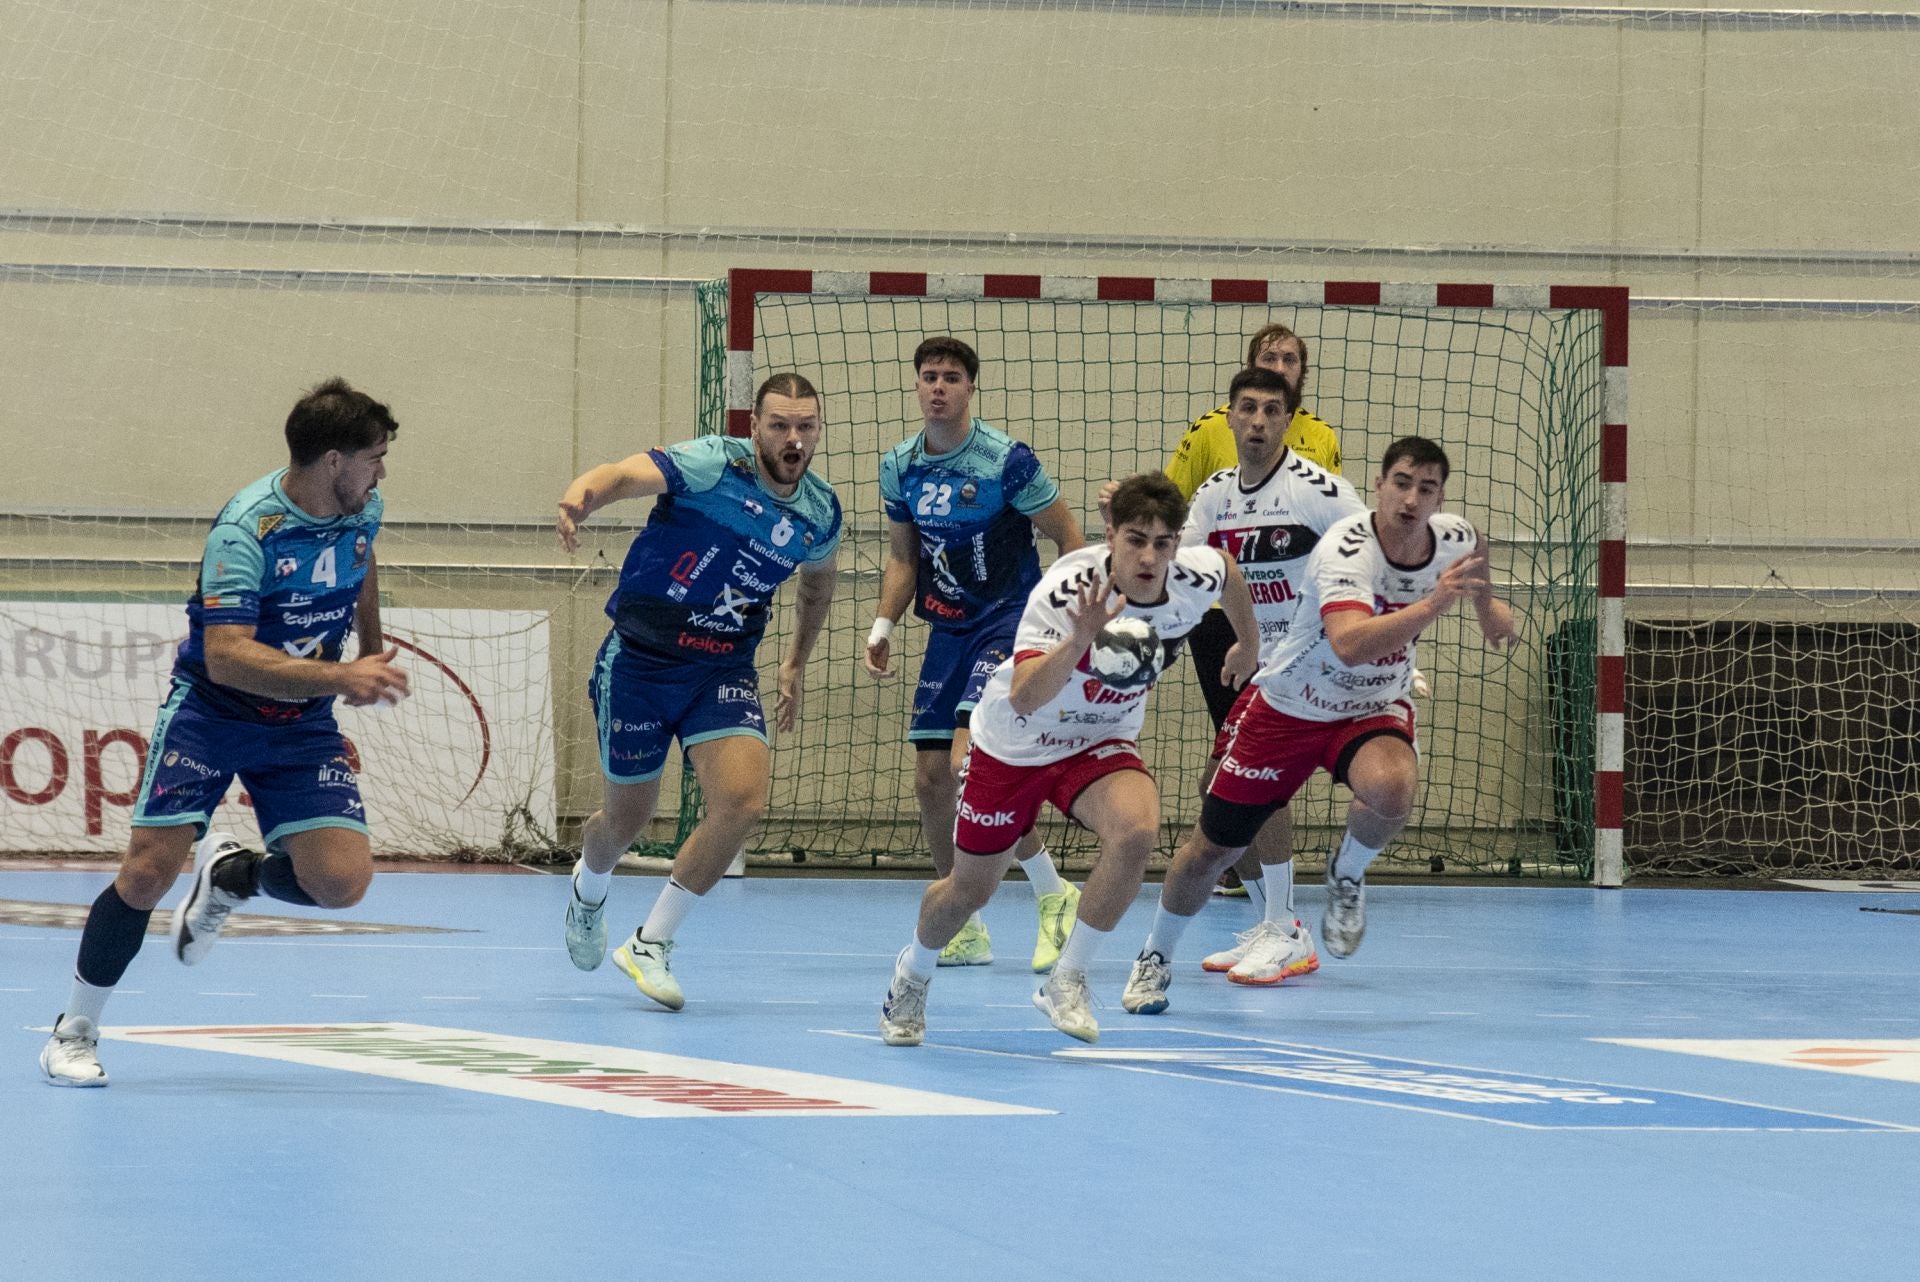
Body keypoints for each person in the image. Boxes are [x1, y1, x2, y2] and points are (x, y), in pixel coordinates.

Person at [40, 378, 407, 1086]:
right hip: (213, 713)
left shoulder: (364, 508)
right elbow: (228, 656)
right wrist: (340, 679)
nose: (381, 472)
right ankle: (75, 1031)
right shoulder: (245, 531)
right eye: (375, 457)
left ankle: (234, 875)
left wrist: (370, 649)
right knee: (147, 874)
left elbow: (363, 562)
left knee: (340, 884)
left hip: (300, 724)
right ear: (333, 461)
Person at [1121, 436, 1518, 1018]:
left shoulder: (1451, 536)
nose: (1412, 498)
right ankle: (1155, 955)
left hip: (1371, 704)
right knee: (1214, 848)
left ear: (1439, 497)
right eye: (1402, 482)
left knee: (1392, 786)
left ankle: (1347, 874)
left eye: (1426, 488)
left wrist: (1488, 609)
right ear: (1379, 486)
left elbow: (1473, 552)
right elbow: (1351, 643)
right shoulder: (1345, 547)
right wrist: (1436, 605)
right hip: (1291, 702)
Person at [879, 473, 1259, 1047]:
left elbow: (1230, 575)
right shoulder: (1067, 590)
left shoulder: (1192, 574)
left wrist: (1247, 643)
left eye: (1163, 542)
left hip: (1098, 738)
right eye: (1135, 540)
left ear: (1179, 541)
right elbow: (1025, 694)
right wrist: (1081, 639)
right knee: (968, 891)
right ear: (1109, 534)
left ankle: (1068, 977)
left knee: (1137, 830)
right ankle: (913, 974)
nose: (1150, 556)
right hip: (1016, 744)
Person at [554, 373, 841, 1012]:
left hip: (722, 672)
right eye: (779, 426)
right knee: (623, 822)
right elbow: (626, 474)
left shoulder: (820, 511)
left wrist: (794, 660)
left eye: (806, 427)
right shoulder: (715, 464)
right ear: (755, 427)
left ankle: (652, 942)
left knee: (742, 803)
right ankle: (590, 884)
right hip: (640, 662)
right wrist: (583, 497)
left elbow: (818, 585)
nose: (793, 439)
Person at [863, 337, 1086, 972]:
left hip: (1009, 623)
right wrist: (883, 625)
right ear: (915, 386)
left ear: (970, 388)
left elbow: (1069, 536)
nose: (938, 387)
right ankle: (963, 920)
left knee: (967, 763)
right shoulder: (899, 466)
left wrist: (1065, 627)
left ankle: (1052, 893)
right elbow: (904, 557)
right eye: (929, 376)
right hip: (949, 630)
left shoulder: (1005, 461)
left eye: (952, 378)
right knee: (931, 776)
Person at [1160, 365, 1365, 986]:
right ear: (1228, 416)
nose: (1257, 421)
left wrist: (1383, 652)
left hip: (1309, 657)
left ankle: (1284, 928)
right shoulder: (1216, 493)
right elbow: (1182, 564)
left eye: (1271, 410)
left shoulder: (1317, 490)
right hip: (1254, 653)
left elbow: (1374, 551)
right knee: (1215, 787)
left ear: (1288, 420)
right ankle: (1279, 925)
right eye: (1246, 408)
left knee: (1254, 781)